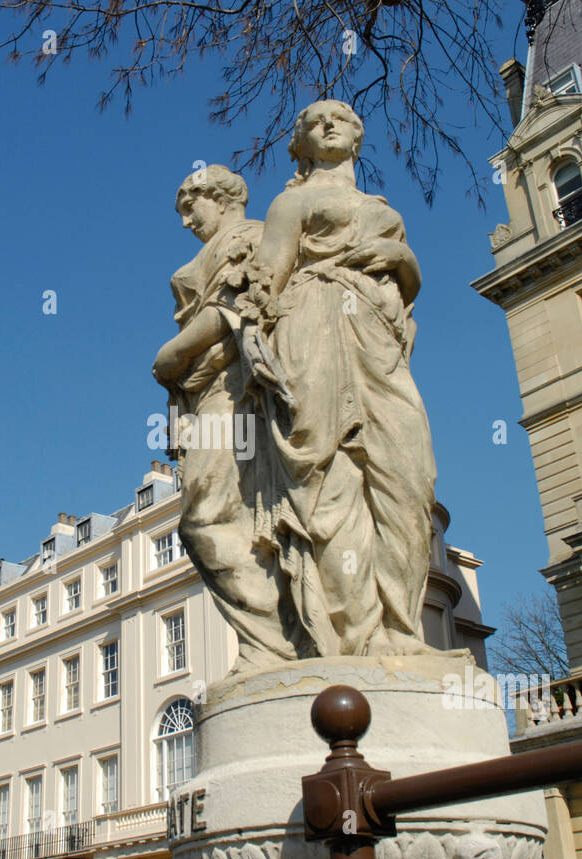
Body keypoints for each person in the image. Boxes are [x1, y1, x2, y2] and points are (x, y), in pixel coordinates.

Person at [242, 99, 438, 658]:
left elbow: (411, 281)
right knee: (329, 478)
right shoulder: (291, 202)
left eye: (343, 118)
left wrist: (396, 252)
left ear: (358, 137)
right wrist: (253, 337)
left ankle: (405, 627)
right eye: (313, 121)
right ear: (301, 144)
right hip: (311, 320)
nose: (328, 124)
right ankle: (360, 636)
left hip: (377, 332)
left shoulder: (383, 209)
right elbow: (269, 278)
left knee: (409, 473)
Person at [153, 166, 306, 671]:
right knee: (216, 516)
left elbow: (234, 310)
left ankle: (274, 640)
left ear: (220, 198)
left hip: (237, 392)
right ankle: (269, 639)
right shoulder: (219, 247)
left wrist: (171, 354)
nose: (185, 221)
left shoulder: (250, 237)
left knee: (206, 516)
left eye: (189, 207)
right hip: (210, 397)